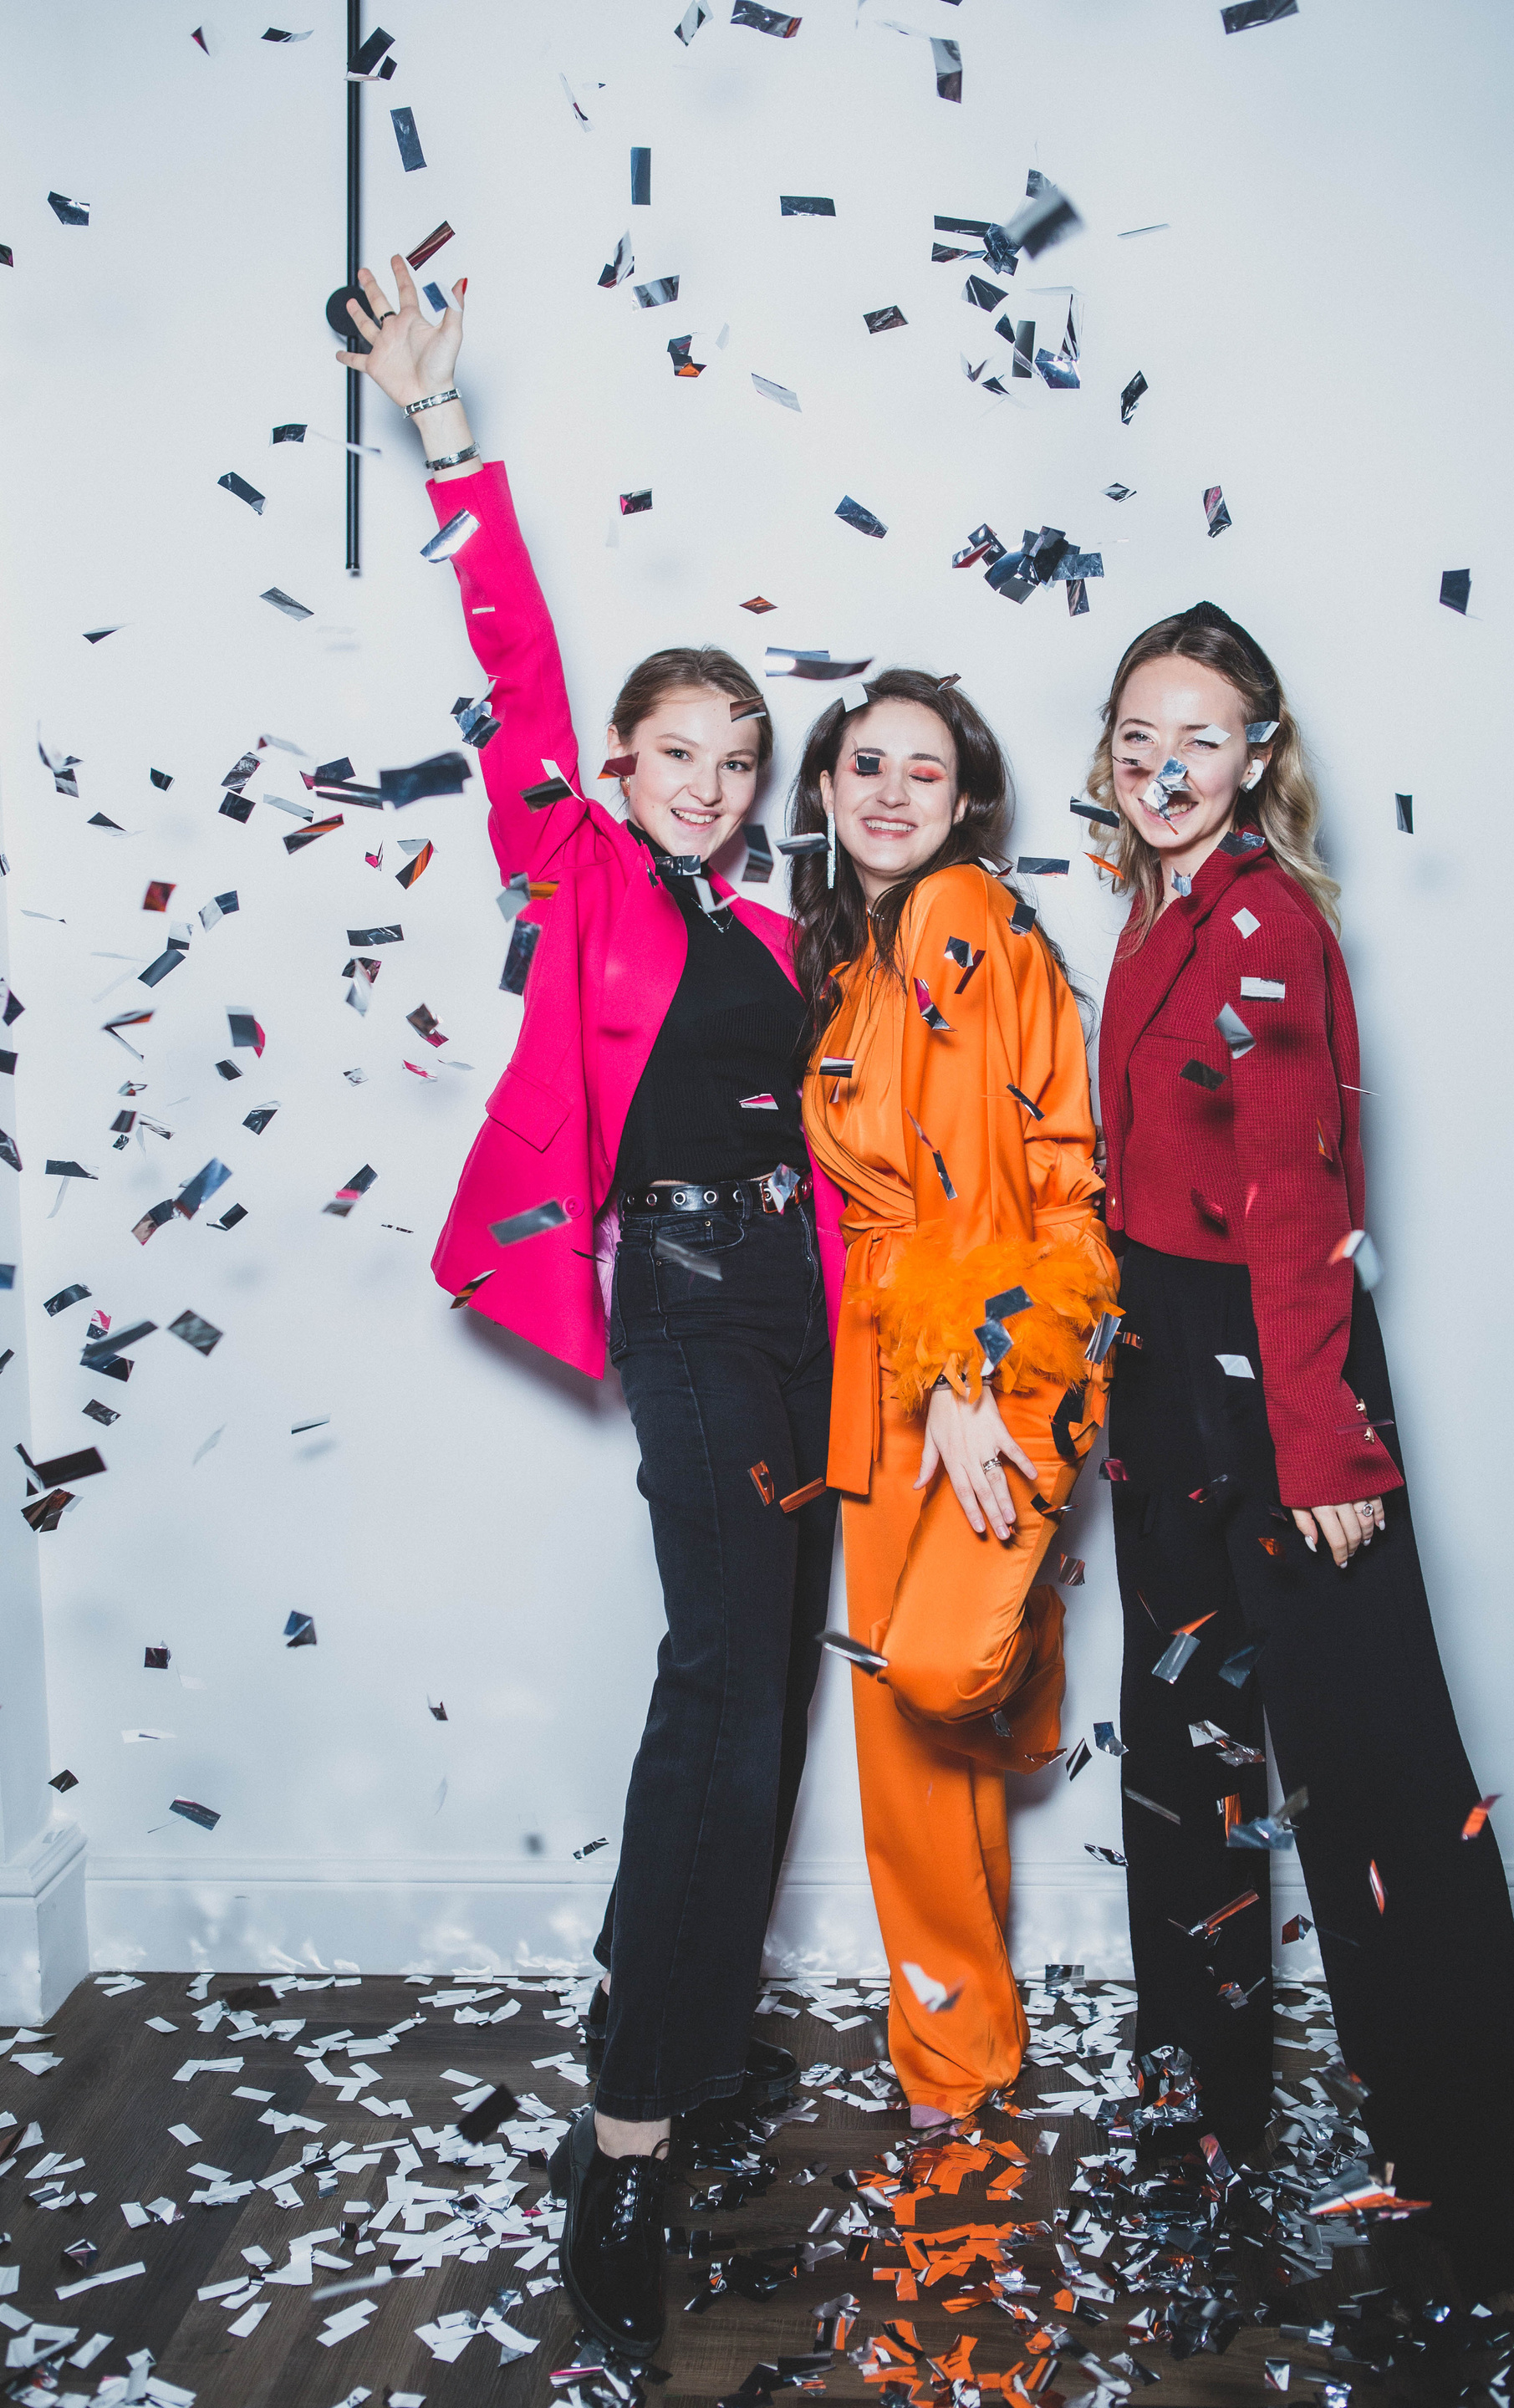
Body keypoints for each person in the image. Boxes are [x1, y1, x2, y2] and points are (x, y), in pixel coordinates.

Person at [335, 258, 848, 2357]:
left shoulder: (772, 925)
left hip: (805, 1314)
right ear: (623, 766)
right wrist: (447, 437)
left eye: (740, 757)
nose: (711, 781)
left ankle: (683, 2030)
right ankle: (625, 2138)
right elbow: (520, 667)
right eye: (679, 752)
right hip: (695, 1302)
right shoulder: (584, 874)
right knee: (721, 1688)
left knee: (761, 1684)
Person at [1092, 599, 1514, 2298]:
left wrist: (1325, 1444)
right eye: (1140, 736)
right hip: (1164, 1374)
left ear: (1258, 756)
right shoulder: (1153, 912)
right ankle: (1199, 2128)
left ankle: (1477, 2194)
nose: (1166, 765)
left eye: (1201, 737)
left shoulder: (1270, 922)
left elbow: (1297, 1195)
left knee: (1377, 1782)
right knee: (1184, 1762)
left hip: (1278, 1373)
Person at [793, 671, 1119, 2127]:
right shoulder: (856, 958)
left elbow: (982, 1179)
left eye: (925, 771)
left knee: (934, 1675)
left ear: (969, 800)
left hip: (988, 1350)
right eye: (867, 764)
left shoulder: (956, 913)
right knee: (904, 1733)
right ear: (823, 787)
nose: (891, 793)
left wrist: (968, 1379)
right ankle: (954, 2056)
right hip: (881, 1356)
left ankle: (1023, 1653)